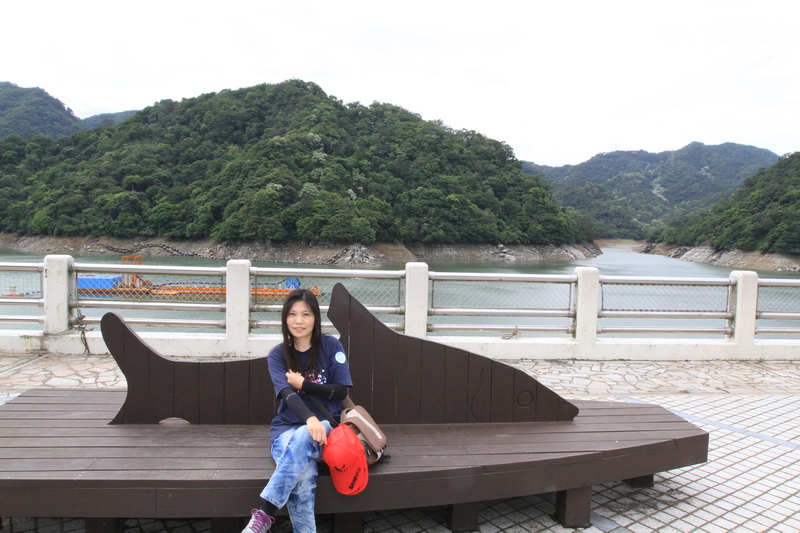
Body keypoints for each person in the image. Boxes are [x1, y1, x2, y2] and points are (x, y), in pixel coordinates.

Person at [243, 288, 353, 533]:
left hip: (326, 431)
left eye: (306, 314)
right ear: (285, 318)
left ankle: (264, 514)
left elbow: (341, 391)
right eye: (292, 314)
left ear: (315, 318)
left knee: (305, 436)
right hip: (286, 429)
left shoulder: (331, 346)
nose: (299, 321)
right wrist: (309, 418)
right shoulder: (278, 354)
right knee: (303, 471)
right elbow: (286, 393)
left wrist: (305, 385)